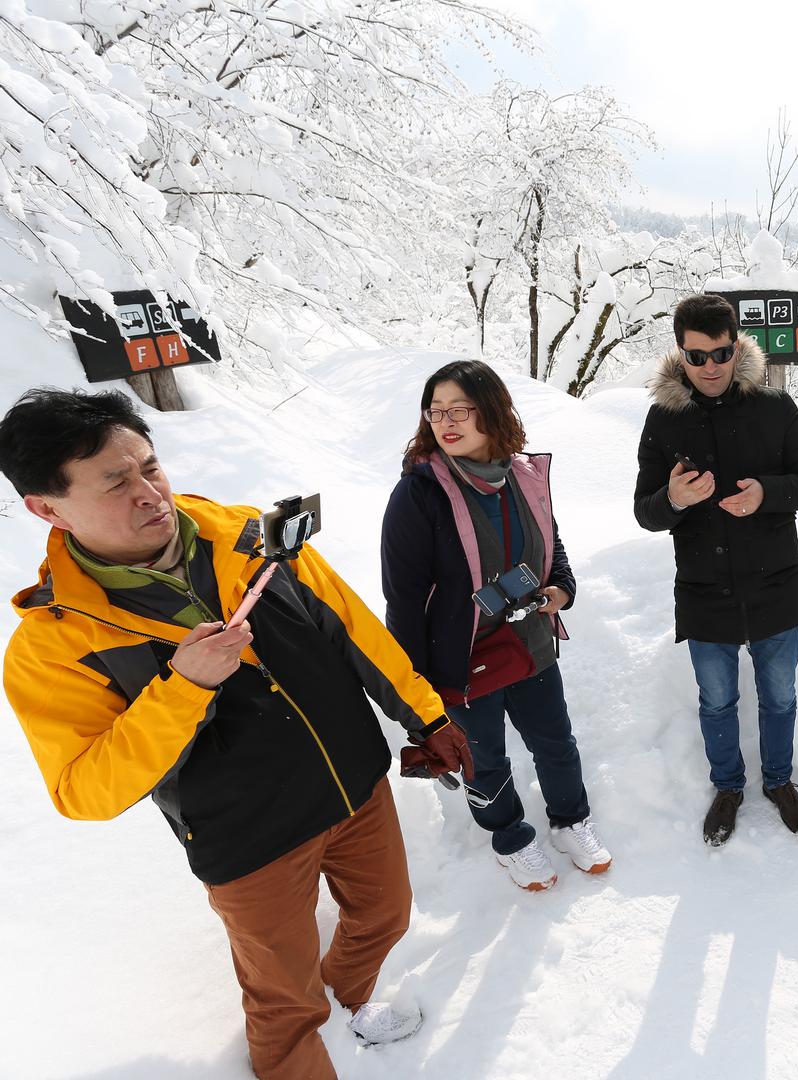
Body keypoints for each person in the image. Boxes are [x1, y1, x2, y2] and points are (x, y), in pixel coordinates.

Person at [0, 388, 473, 1080]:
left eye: (149, 468)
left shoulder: (248, 537)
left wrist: (424, 714)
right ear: (47, 507)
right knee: (284, 1003)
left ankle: (344, 1003)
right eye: (114, 482)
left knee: (385, 918)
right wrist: (183, 688)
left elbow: (352, 629)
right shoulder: (53, 646)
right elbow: (86, 790)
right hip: (248, 842)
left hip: (353, 788)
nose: (149, 494)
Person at [381, 360, 611, 891]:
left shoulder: (523, 478)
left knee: (555, 741)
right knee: (485, 757)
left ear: (492, 411)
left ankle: (571, 820)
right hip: (459, 656)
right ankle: (510, 838)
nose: (447, 421)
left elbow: (553, 547)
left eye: (460, 408)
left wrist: (563, 588)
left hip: (528, 639)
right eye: (436, 411)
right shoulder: (419, 494)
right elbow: (405, 598)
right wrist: (419, 684)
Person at [633, 293, 798, 846]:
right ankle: (728, 788)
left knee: (781, 697)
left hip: (776, 586)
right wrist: (671, 499)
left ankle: (779, 782)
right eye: (696, 357)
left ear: (735, 346)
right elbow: (645, 512)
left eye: (719, 353)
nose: (710, 368)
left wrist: (768, 493)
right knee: (717, 701)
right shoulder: (663, 418)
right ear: (680, 353)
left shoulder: (774, 408)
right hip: (704, 590)